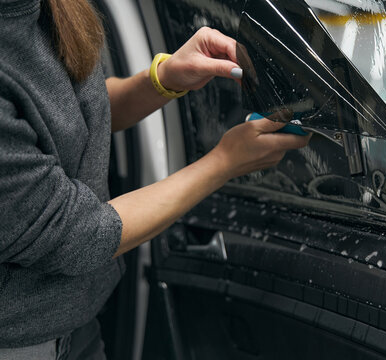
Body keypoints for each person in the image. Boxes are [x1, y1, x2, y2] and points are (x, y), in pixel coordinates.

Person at [0, 0, 310, 358]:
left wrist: (164, 78)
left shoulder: (46, 7)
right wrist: (223, 163)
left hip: (78, 328)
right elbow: (74, 233)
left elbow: (71, 113)